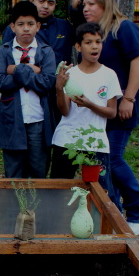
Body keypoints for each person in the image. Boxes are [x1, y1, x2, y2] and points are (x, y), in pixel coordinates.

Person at [71, 0, 139, 234]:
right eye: (84, 5)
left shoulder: (123, 28)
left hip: (123, 106)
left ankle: (137, 211)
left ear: (105, 4)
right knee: (101, 162)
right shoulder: (98, 33)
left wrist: (129, 98)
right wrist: (75, 7)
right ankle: (113, 212)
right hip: (100, 111)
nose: (86, 9)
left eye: (91, 4)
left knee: (113, 159)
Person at [50, 22, 121, 196]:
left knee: (99, 193)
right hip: (67, 140)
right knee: (58, 191)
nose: (94, 46)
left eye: (98, 42)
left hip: (95, 142)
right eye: (88, 42)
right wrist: (59, 89)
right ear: (78, 47)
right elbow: (65, 111)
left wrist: (90, 104)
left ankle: (96, 216)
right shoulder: (71, 74)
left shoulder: (109, 75)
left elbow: (112, 112)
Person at [0, 1, 57, 178]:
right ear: (13, 27)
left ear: (38, 26)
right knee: (13, 172)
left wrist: (16, 69)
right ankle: (15, 198)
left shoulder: (46, 51)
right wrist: (33, 70)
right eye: (21, 24)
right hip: (12, 120)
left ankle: (36, 198)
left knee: (38, 169)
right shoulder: (4, 51)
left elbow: (47, 82)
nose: (26, 29)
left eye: (30, 24)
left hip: (38, 119)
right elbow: (0, 82)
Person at [2, 0, 74, 65]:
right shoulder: (15, 29)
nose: (46, 6)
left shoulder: (64, 26)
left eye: (50, 3)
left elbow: (82, 37)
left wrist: (75, 9)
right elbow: (5, 61)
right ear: (31, 1)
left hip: (61, 73)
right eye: (41, 1)